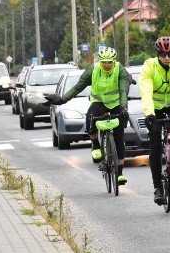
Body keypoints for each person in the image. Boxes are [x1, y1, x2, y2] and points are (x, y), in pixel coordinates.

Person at [46, 46, 131, 183]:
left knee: (119, 137)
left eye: (110, 62)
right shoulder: (93, 70)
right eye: (104, 62)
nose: (107, 65)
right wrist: (62, 100)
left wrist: (123, 108)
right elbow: (78, 87)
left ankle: (120, 172)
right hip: (99, 103)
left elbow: (123, 91)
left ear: (114, 62)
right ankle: (96, 144)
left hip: (116, 104)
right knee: (90, 118)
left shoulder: (120, 69)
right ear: (100, 61)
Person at [139, 36, 170, 206]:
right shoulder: (149, 66)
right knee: (154, 146)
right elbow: (146, 92)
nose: (167, 58)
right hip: (156, 106)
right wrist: (149, 114)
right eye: (163, 54)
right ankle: (158, 188)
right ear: (158, 54)